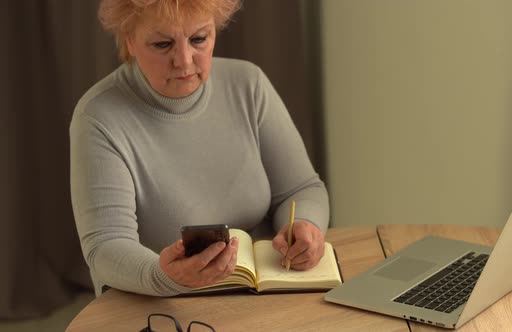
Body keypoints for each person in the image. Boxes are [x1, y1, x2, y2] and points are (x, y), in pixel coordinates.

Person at [70, 0, 329, 297]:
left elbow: (302, 188)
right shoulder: (99, 116)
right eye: (162, 44)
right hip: (161, 307)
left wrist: (306, 227)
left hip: (265, 295)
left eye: (199, 39)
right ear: (129, 40)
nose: (184, 60)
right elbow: (105, 246)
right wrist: (164, 277)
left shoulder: (249, 84)